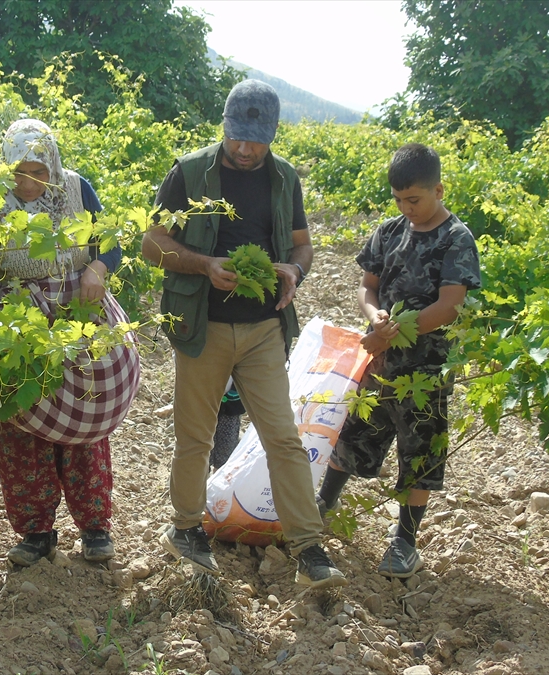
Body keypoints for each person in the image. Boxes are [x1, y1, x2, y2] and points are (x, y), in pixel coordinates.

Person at [142, 79, 346, 589]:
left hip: (262, 331)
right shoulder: (190, 172)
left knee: (282, 436)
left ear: (272, 134)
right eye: (238, 137)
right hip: (203, 326)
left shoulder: (283, 179)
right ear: (225, 128)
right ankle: (186, 528)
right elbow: (152, 241)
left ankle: (308, 547)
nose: (246, 148)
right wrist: (205, 264)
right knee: (195, 436)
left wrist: (295, 272)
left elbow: (302, 245)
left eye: (257, 139)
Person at [0, 119, 135, 567]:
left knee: (84, 420)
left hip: (80, 318)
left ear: (53, 166)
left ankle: (95, 527)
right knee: (20, 426)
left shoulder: (77, 190)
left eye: (38, 171)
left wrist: (98, 269)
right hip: (19, 326)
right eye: (19, 172)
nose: (29, 181)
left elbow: (109, 243)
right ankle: (36, 533)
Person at [316, 143, 482, 578]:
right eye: (399, 201)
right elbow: (367, 288)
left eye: (415, 200)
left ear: (438, 190)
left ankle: (404, 541)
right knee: (352, 437)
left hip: (426, 373)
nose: (407, 209)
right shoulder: (390, 231)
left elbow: (450, 305)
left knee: (419, 453)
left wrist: (393, 333)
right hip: (381, 366)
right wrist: (376, 320)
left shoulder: (456, 239)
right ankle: (322, 507)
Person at [210, 383, 245, 472]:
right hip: (205, 401)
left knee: (226, 449)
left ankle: (218, 481)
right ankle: (201, 482)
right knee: (201, 450)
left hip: (232, 405)